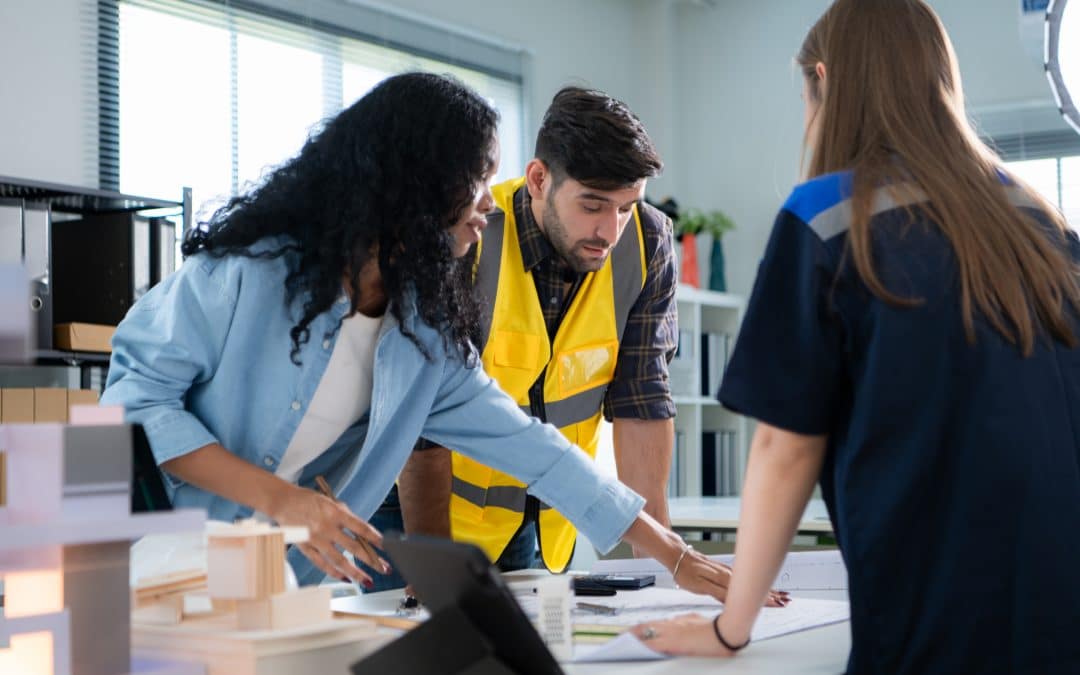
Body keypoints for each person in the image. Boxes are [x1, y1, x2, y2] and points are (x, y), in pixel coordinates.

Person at [100, 72, 744, 600]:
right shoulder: (249, 274)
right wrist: (284, 503)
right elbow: (133, 403)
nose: (489, 205)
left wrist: (677, 556)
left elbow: (537, 451)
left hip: (271, 591)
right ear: (411, 190)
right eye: (473, 183)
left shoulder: (426, 338)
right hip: (152, 570)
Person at [632, 1, 1080, 673]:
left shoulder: (828, 217)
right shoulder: (1041, 222)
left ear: (824, 80)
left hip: (934, 622)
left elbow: (784, 447)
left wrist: (732, 627)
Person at [373, 86, 680, 585]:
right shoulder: (466, 233)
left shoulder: (648, 244)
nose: (610, 230)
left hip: (538, 517)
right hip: (416, 508)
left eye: (626, 207)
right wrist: (432, 581)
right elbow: (424, 423)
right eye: (593, 204)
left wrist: (663, 570)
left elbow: (641, 403)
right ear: (539, 179)